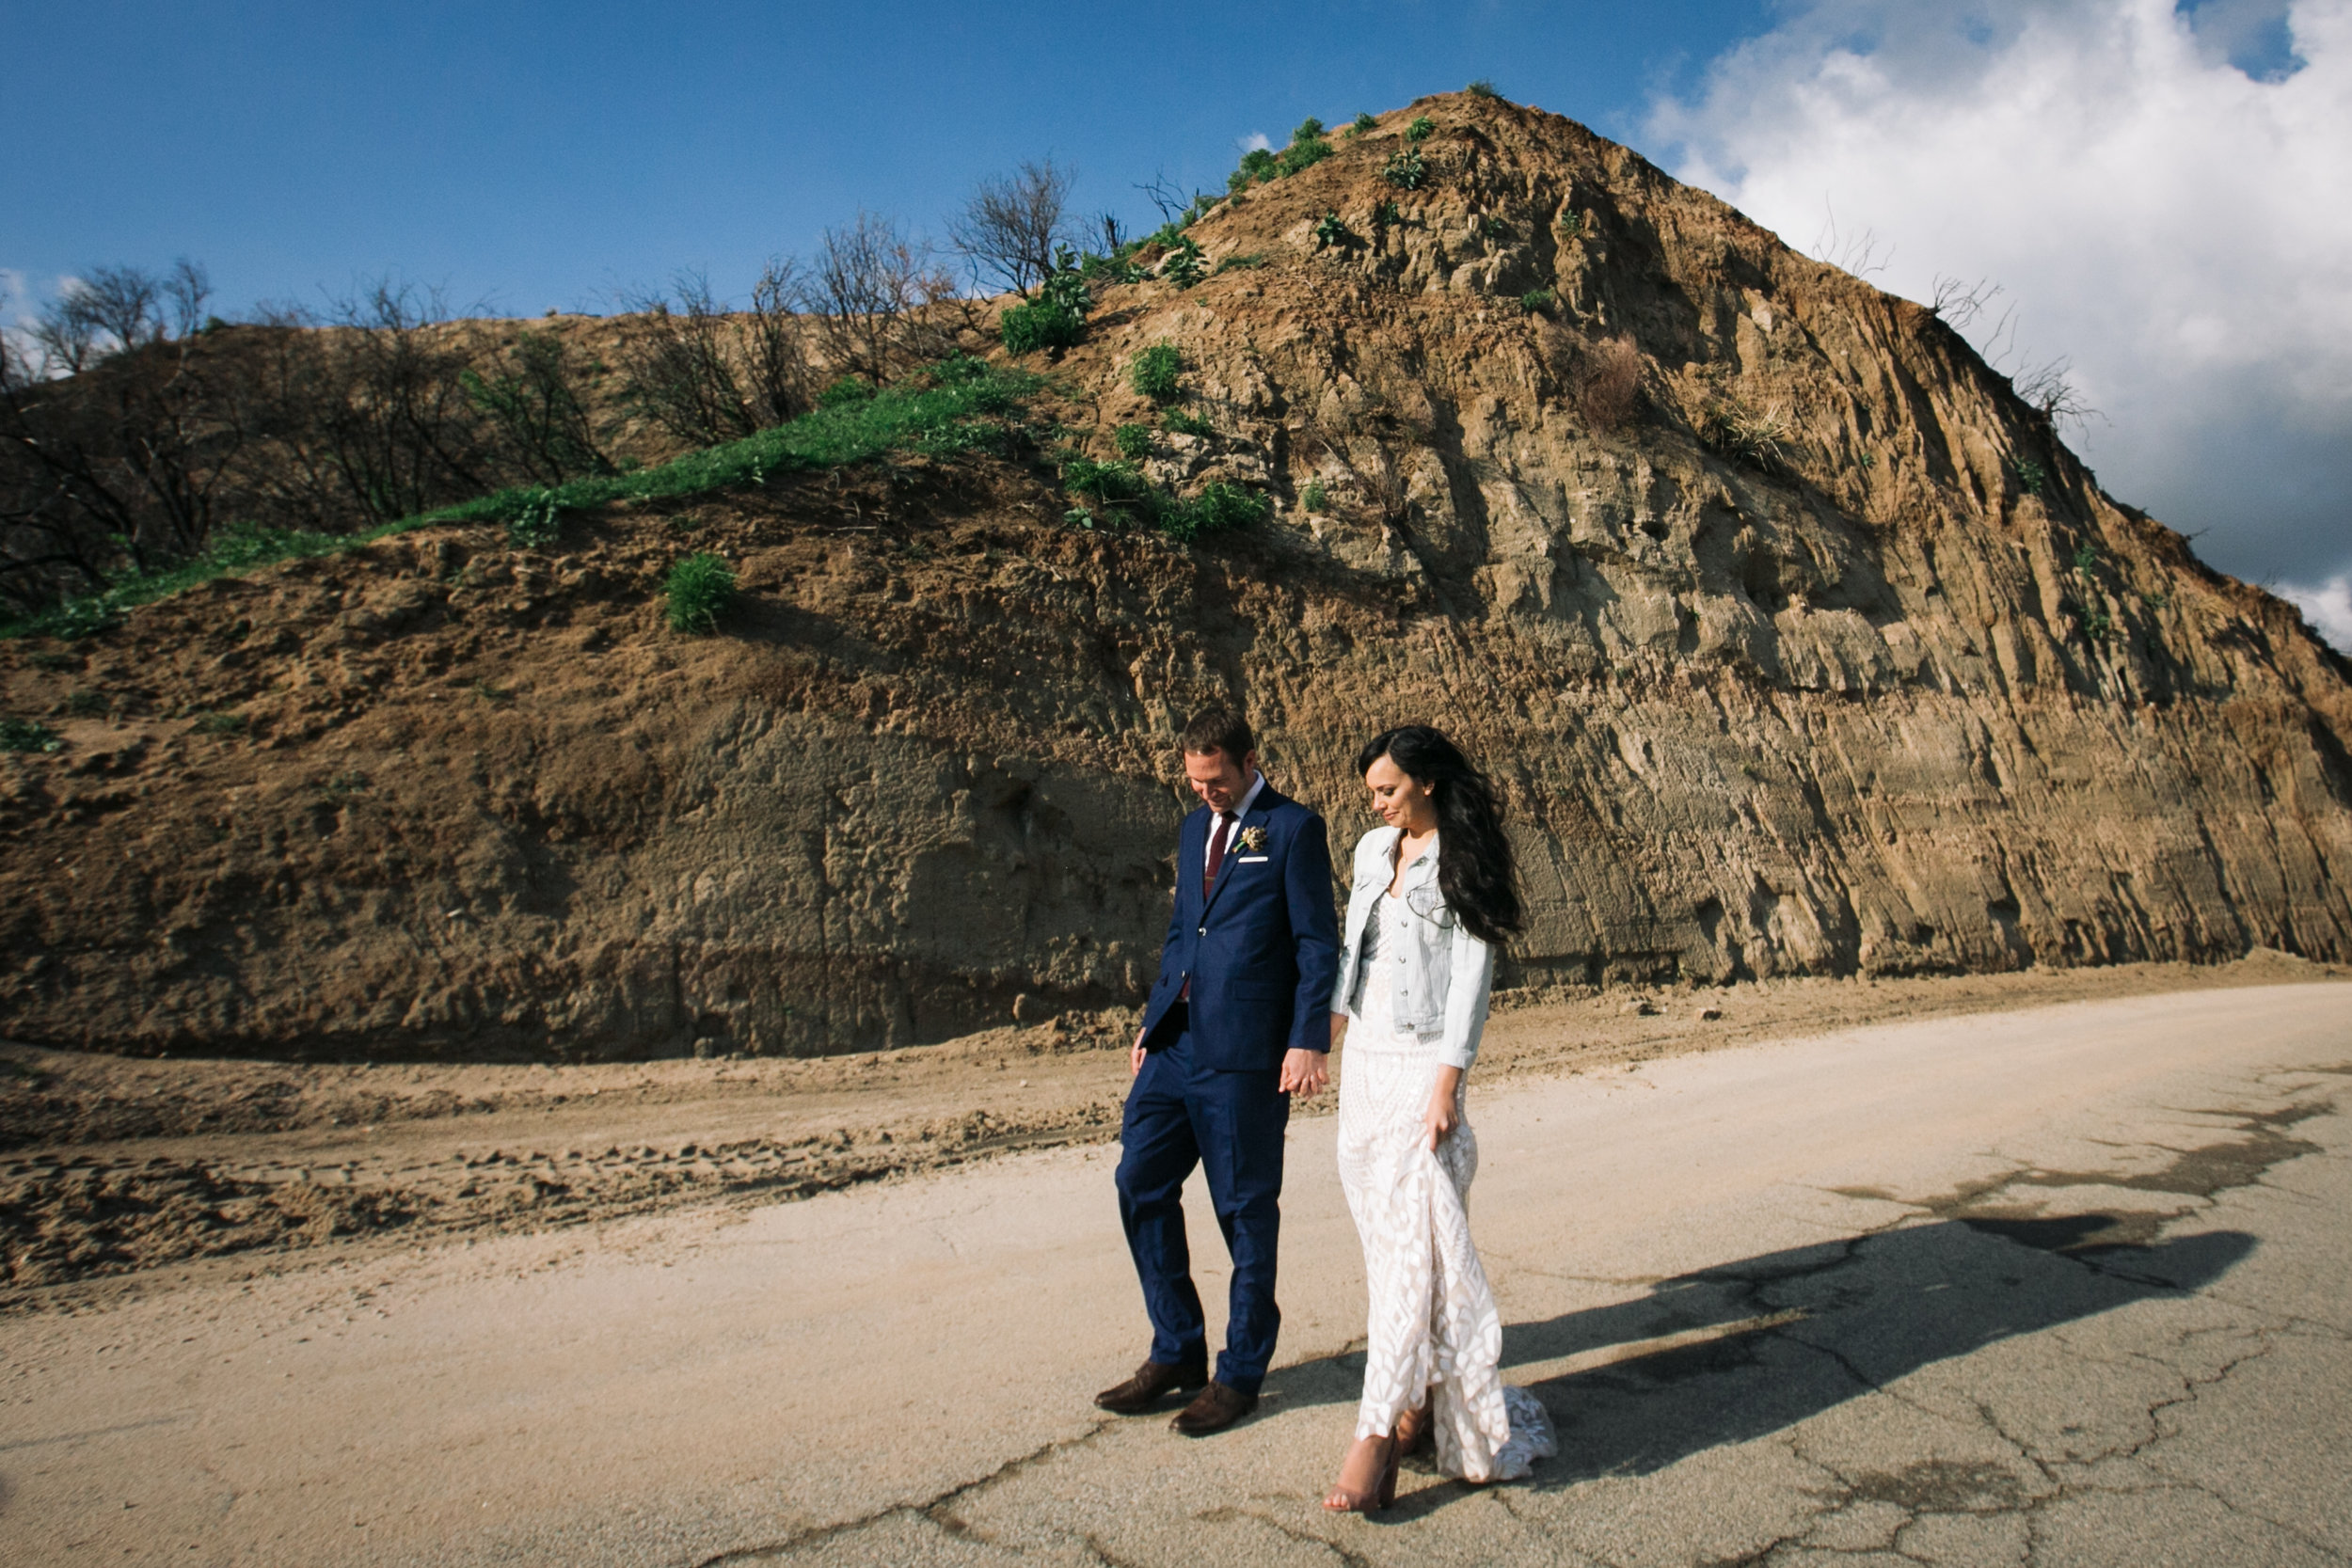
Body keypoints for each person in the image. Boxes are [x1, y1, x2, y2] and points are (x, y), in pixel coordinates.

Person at [1322, 724, 1556, 1512]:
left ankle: (1375, 1433)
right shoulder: (1368, 851)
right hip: (1367, 1068)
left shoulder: (1461, 856)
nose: (1379, 803)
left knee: (1415, 1249)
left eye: (1388, 789)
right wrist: (1319, 1036)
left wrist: (1448, 1083)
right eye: (1372, 794)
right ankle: (1418, 1400)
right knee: (1386, 1244)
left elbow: (1471, 980)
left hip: (1423, 1066)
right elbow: (1351, 953)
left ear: (1424, 780)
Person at [1094, 708, 1341, 1436]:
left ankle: (1239, 1372)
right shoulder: (1192, 826)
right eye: (1195, 780)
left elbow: (1316, 943)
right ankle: (1177, 1349)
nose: (1207, 792)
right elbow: (1182, 927)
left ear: (1248, 760)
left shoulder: (1294, 828)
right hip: (1176, 1046)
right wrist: (1152, 1016)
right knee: (1139, 1182)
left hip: (1246, 1057)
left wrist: (1307, 1040)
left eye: (1218, 779)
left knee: (1243, 1212)